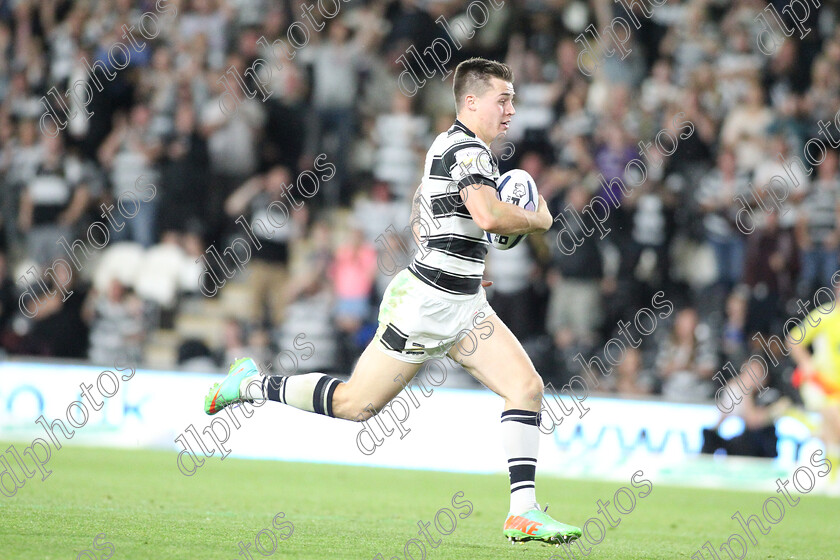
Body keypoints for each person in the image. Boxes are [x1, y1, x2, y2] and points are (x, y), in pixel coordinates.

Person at [203, 58, 582, 545]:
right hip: (425, 308)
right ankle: (250, 385)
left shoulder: (454, 147)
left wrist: (457, 259)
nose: (511, 109)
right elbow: (487, 215)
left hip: (463, 305)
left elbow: (423, 205)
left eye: (512, 99)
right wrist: (539, 220)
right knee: (355, 405)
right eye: (502, 99)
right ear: (471, 102)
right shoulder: (466, 149)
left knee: (526, 388)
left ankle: (523, 513)